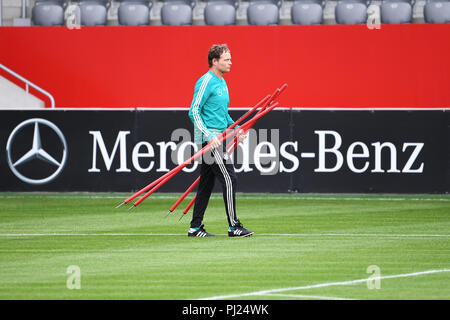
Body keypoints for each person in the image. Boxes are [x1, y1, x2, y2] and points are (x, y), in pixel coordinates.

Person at [187, 44, 253, 238]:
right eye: (227, 59)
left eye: (230, 59)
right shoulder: (206, 81)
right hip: (210, 141)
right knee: (229, 178)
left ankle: (195, 227)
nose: (231, 63)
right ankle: (234, 226)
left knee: (206, 184)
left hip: (218, 138)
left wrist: (236, 129)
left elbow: (222, 116)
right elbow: (193, 111)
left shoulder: (222, 82)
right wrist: (208, 136)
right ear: (214, 61)